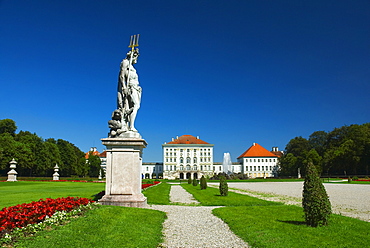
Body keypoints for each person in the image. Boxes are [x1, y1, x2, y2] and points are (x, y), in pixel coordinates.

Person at [117, 49, 142, 133]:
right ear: (133, 56)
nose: (136, 60)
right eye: (136, 57)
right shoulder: (125, 62)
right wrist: (124, 87)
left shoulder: (132, 66)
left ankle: (128, 124)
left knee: (134, 106)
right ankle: (131, 126)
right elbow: (122, 76)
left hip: (136, 88)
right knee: (136, 105)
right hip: (130, 87)